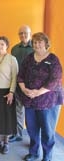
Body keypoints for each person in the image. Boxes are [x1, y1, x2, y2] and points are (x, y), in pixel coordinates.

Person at [17, 32, 63, 161]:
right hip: (30, 100)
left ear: (46, 44)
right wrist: (24, 89)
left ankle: (47, 156)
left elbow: (55, 80)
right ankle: (33, 153)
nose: (36, 44)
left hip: (48, 101)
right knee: (32, 129)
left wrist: (38, 92)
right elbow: (20, 75)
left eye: (40, 42)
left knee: (48, 131)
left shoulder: (53, 59)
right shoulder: (29, 58)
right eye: (35, 42)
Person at [9, 25, 34, 142]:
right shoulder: (14, 49)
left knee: (31, 114)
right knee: (18, 111)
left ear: (30, 33)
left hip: (32, 87)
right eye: (20, 33)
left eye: (25, 33)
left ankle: (33, 138)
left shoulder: (35, 47)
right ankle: (18, 134)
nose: (23, 35)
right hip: (18, 85)